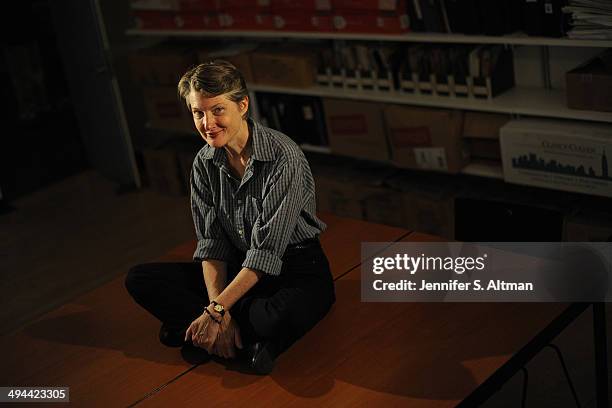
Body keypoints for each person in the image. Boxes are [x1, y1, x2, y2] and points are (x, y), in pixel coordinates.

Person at [125, 60, 335, 375]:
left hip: (295, 270)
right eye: (198, 112)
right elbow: (212, 245)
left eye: (217, 110)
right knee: (140, 279)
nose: (207, 123)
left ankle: (195, 328)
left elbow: (265, 253)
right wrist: (217, 311)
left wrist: (217, 310)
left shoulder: (283, 157)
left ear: (242, 105)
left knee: (275, 317)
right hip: (239, 271)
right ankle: (230, 336)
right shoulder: (203, 163)